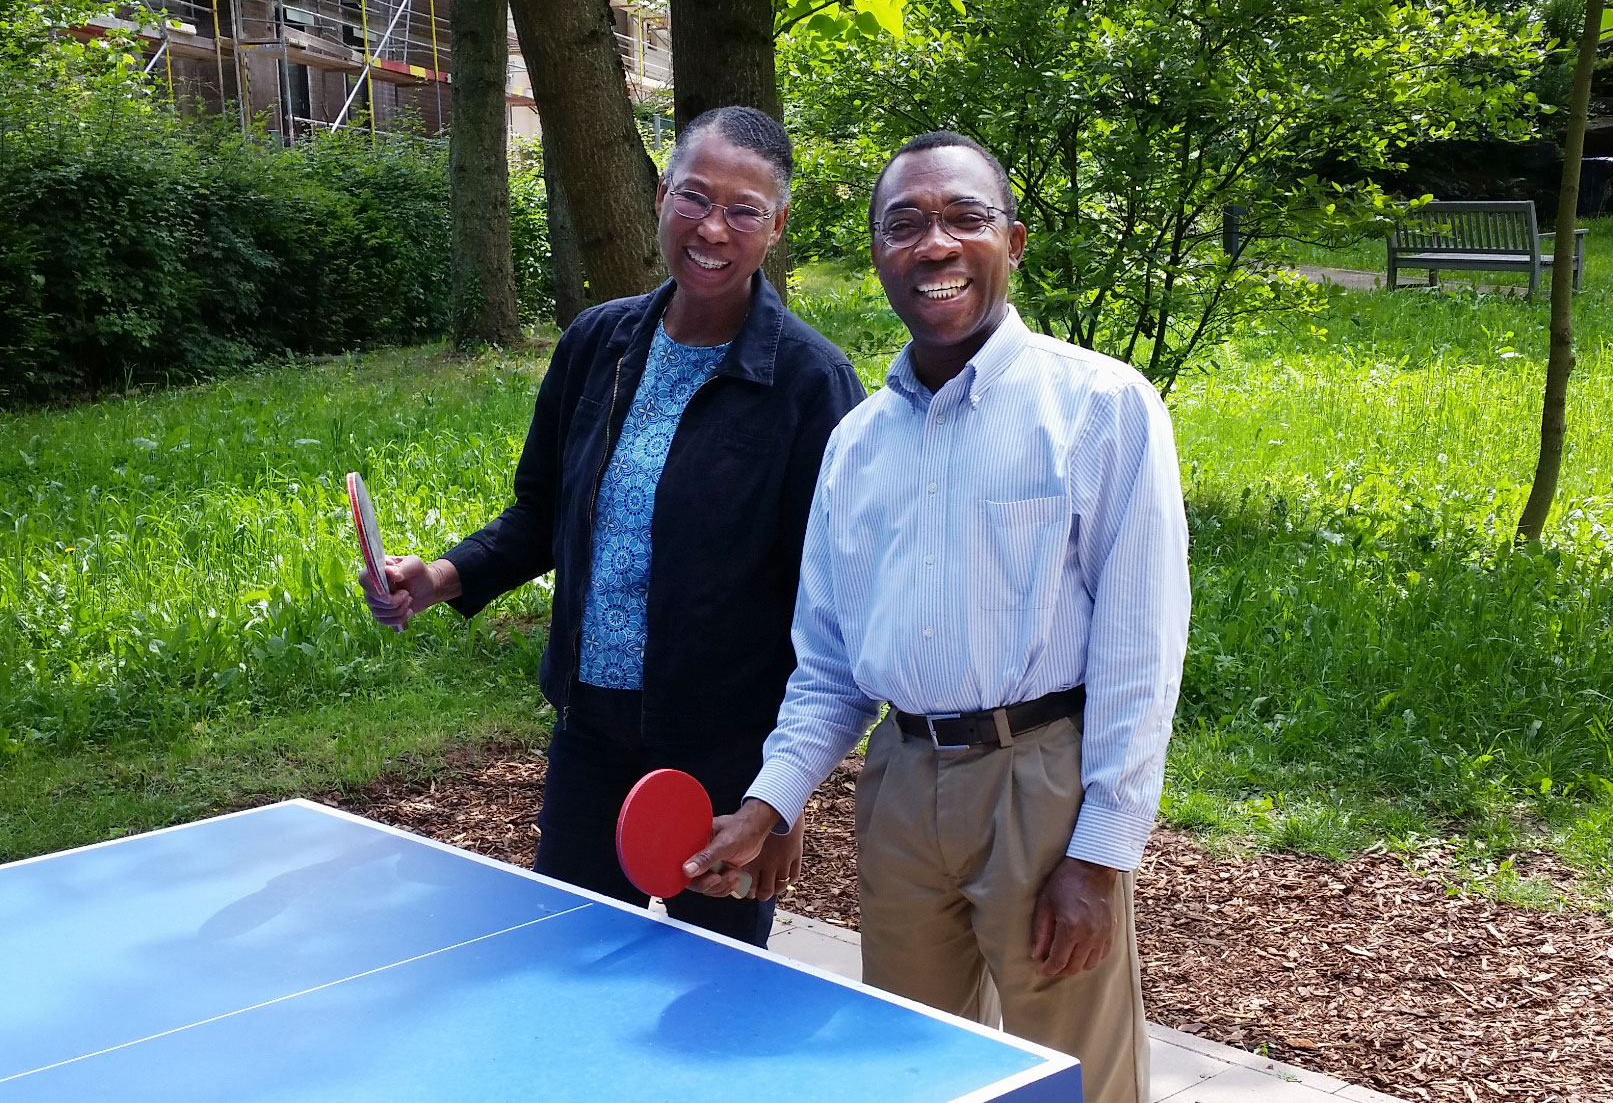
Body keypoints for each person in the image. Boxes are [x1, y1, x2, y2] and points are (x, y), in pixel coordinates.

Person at [684, 131, 1190, 1103]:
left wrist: (1099, 852)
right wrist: (767, 803)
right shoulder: (855, 447)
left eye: (963, 217)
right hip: (902, 789)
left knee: (1074, 1084)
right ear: (874, 252)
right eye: (903, 223)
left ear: (1013, 237)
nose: (934, 244)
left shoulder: (1100, 409)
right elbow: (828, 666)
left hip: (1040, 786)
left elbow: (1139, 649)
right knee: (912, 1075)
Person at [360, 106, 865, 948]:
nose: (713, 227)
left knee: (712, 996)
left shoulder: (812, 382)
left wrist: (784, 800)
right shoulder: (599, 341)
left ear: (776, 226)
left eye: (744, 210)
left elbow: (828, 608)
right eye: (694, 197)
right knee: (571, 959)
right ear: (661, 194)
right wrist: (441, 575)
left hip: (728, 758)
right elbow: (543, 510)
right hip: (590, 731)